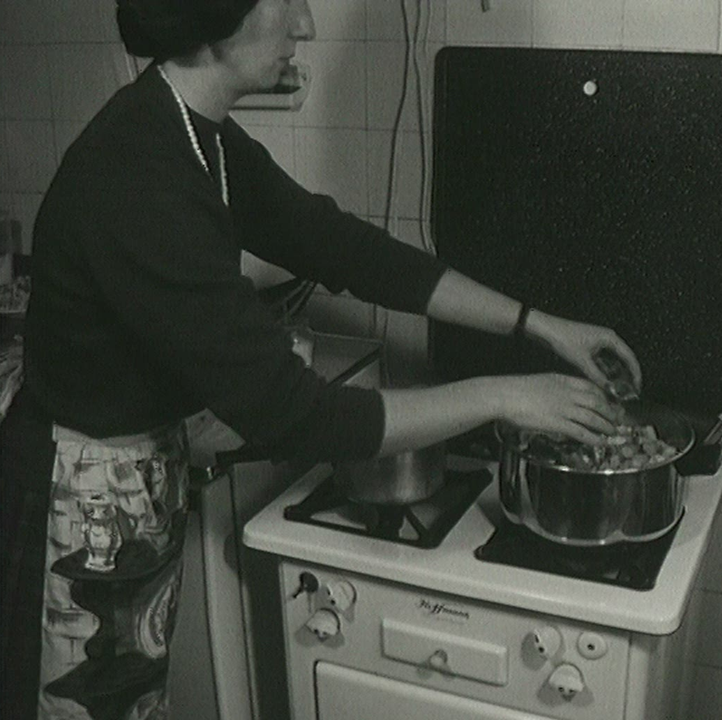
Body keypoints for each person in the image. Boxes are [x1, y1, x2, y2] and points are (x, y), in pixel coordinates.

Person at [0, 0, 642, 718]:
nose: (304, 25)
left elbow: (337, 246)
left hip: (135, 483)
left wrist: (538, 324)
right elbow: (301, 418)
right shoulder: (139, 175)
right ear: (217, 17)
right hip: (77, 501)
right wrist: (507, 395)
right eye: (287, 2)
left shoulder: (192, 134)